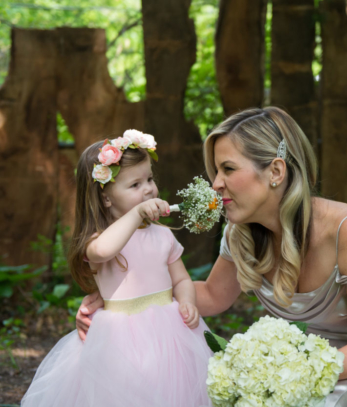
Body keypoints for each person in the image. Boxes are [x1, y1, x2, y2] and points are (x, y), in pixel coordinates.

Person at [77, 108, 347, 406]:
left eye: (228, 169)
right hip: (290, 373)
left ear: (275, 171)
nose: (216, 184)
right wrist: (123, 301)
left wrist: (282, 374)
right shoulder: (239, 233)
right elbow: (211, 296)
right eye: (215, 171)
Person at [22, 131, 213, 407]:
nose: (148, 189)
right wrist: (136, 215)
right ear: (106, 199)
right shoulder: (99, 240)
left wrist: (187, 302)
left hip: (169, 333)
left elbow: (182, 278)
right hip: (118, 339)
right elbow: (102, 252)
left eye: (149, 179)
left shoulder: (162, 235)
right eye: (135, 184)